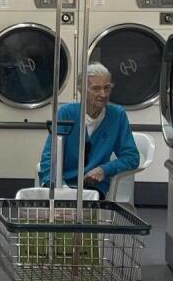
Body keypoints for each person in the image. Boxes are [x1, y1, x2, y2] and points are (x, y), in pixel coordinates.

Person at [37, 63, 139, 197]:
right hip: (63, 183)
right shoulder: (66, 113)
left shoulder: (117, 115)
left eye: (107, 88)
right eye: (96, 89)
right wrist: (57, 185)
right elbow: (49, 156)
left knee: (87, 212)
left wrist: (104, 170)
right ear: (81, 90)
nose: (103, 94)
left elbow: (132, 157)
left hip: (94, 187)